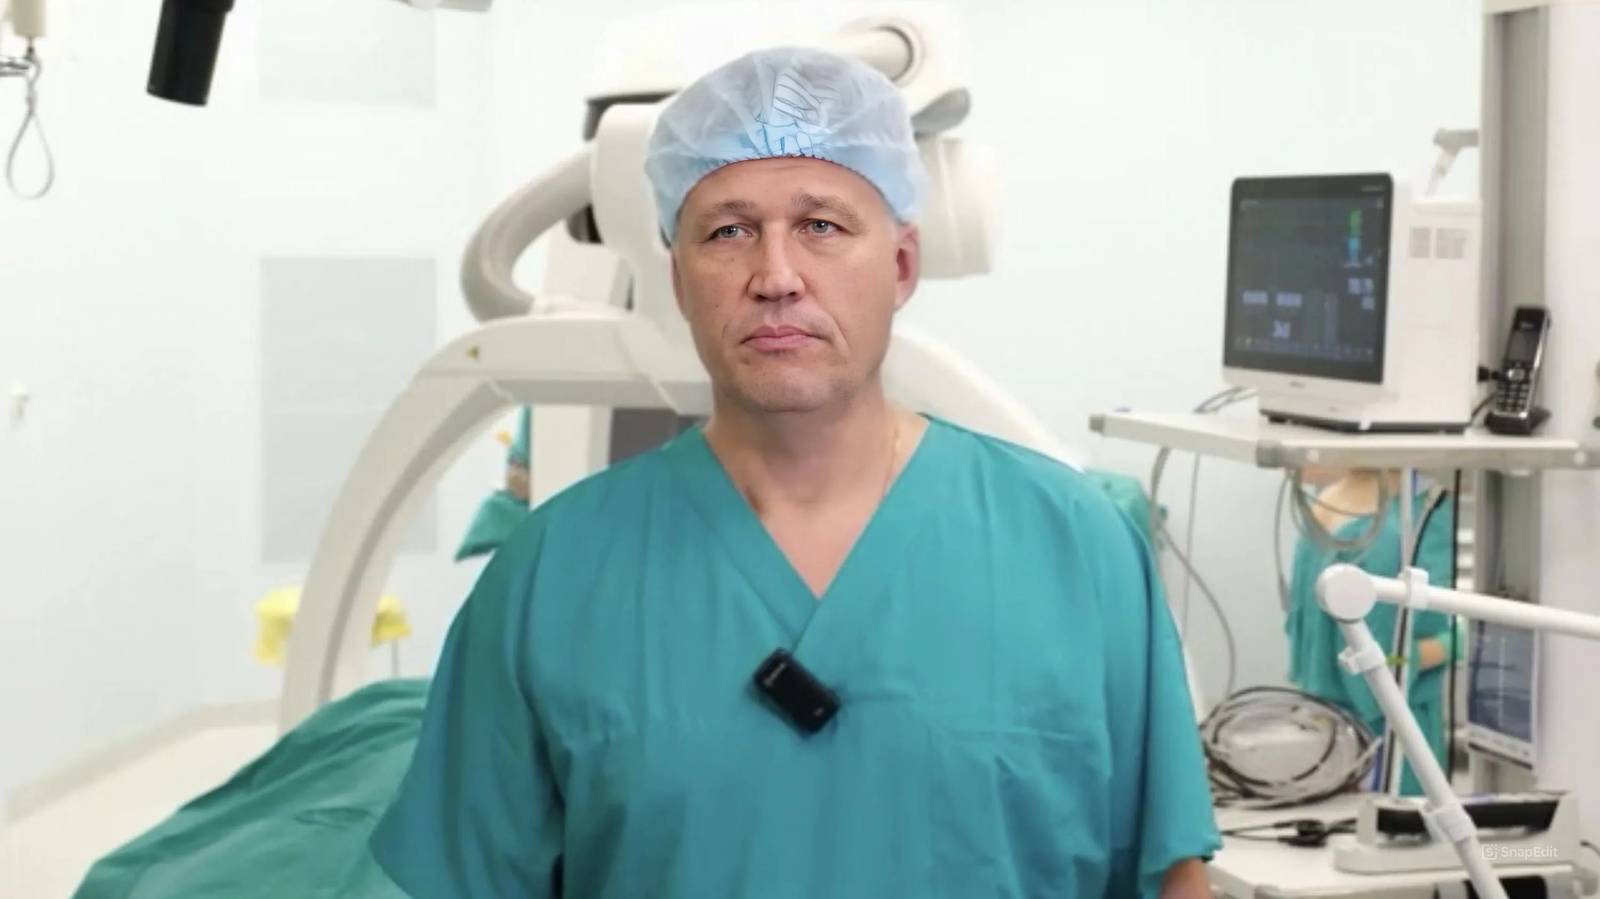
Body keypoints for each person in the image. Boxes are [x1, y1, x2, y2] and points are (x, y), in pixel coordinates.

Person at [370, 46, 1219, 898]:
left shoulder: (1078, 547)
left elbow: (1173, 874)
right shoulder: (554, 572)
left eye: (822, 225)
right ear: (679, 280)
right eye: (728, 231)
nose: (776, 276)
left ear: (901, 265)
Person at [1284, 468, 1457, 795]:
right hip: (1388, 730)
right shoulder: (1398, 529)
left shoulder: (1327, 505)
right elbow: (1387, 662)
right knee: (1403, 818)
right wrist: (1457, 643)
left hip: (1328, 724)